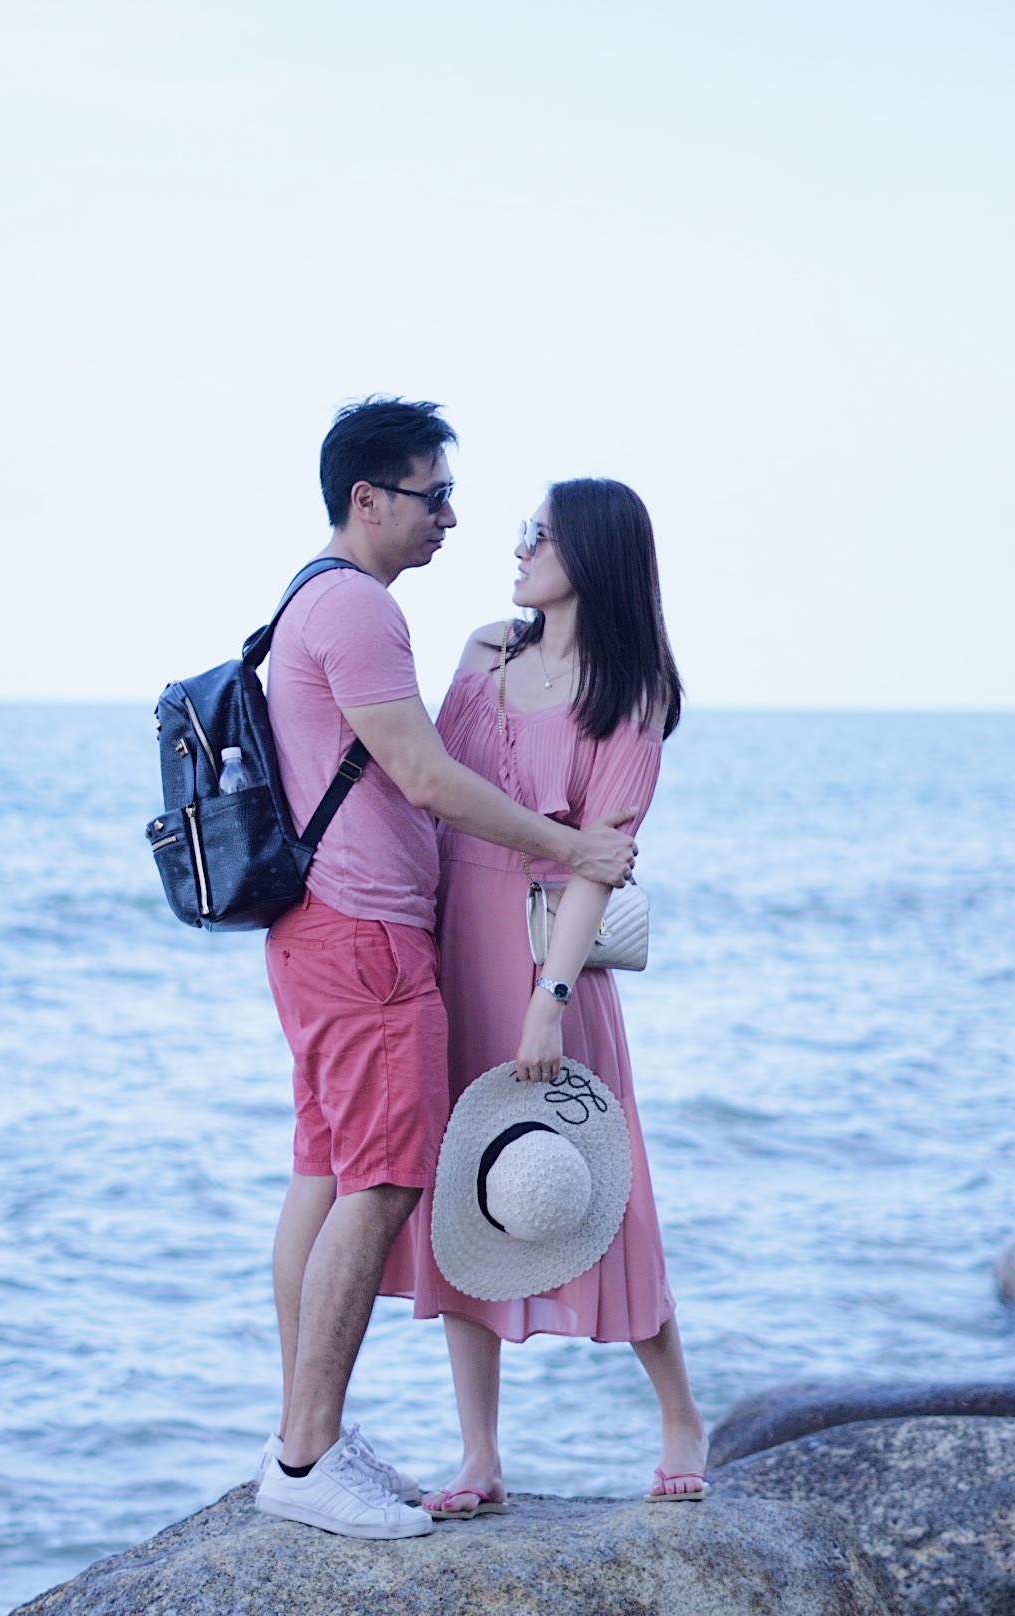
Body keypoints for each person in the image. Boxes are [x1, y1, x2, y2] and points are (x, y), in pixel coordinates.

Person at [255, 401, 639, 1541]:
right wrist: (571, 846)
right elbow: (424, 776)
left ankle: (305, 1438)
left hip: (318, 927)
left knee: (326, 1172)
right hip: (366, 935)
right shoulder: (359, 608)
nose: (453, 519)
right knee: (380, 1183)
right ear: (368, 498)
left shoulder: (309, 597)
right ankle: (305, 1456)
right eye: (435, 496)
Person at [382, 477, 708, 1515]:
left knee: (605, 1190)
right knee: (468, 1187)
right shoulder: (485, 649)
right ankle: (478, 1454)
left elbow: (596, 867)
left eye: (540, 535)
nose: (519, 548)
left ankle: (681, 1415)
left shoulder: (631, 694)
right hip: (453, 940)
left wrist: (548, 1000)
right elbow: (428, 789)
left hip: (545, 955)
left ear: (593, 554)